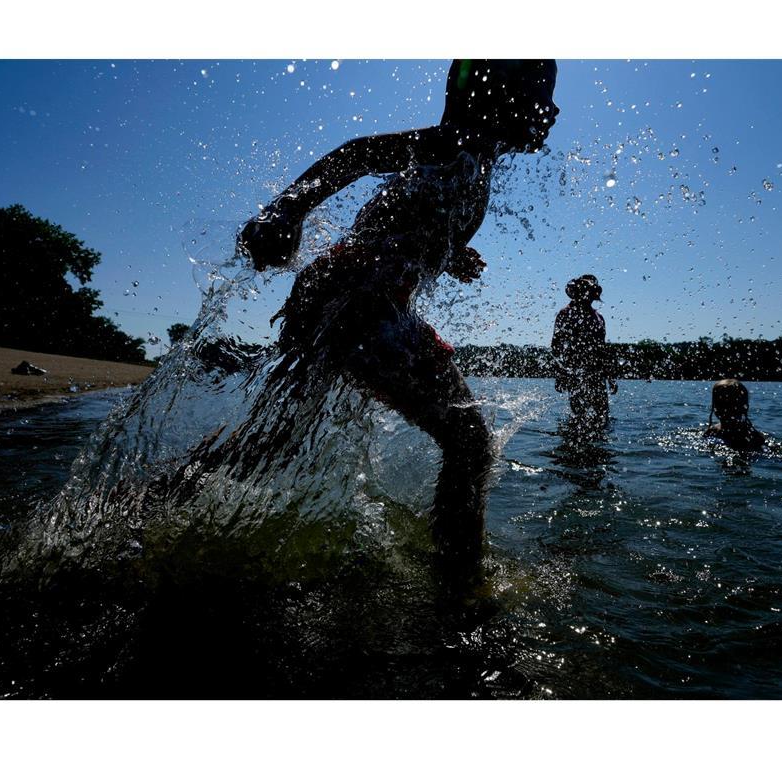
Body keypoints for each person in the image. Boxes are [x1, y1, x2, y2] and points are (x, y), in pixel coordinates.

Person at [228, 60, 560, 570]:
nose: (551, 109)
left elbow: (401, 227)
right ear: (489, 92)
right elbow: (357, 154)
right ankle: (459, 587)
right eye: (541, 90)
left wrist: (449, 255)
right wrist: (287, 209)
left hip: (350, 302)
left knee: (268, 444)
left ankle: (146, 504)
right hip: (354, 304)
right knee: (469, 444)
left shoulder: (474, 161)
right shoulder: (456, 144)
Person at [551, 274, 617, 422]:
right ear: (577, 291)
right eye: (586, 290)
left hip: (597, 373)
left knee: (602, 417)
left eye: (593, 291)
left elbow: (602, 349)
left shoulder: (599, 318)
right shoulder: (565, 313)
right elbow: (556, 345)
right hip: (575, 372)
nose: (590, 295)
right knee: (578, 418)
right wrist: (560, 372)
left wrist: (610, 377)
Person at [704, 379, 766, 451]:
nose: (726, 409)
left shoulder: (754, 437)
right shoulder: (711, 431)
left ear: (745, 408)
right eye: (721, 404)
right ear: (714, 407)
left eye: (731, 405)